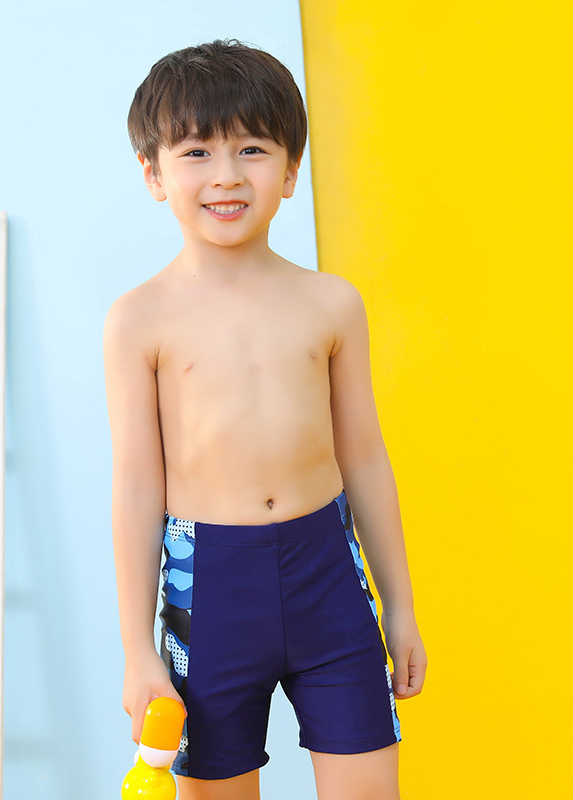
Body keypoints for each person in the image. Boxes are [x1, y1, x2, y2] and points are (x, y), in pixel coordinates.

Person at [103, 39, 427, 800]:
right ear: (152, 173)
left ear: (290, 169)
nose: (226, 174)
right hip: (208, 587)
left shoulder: (332, 303)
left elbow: (365, 458)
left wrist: (402, 606)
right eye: (196, 152)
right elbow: (137, 486)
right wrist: (137, 650)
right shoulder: (137, 320)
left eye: (252, 148)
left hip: (328, 575)